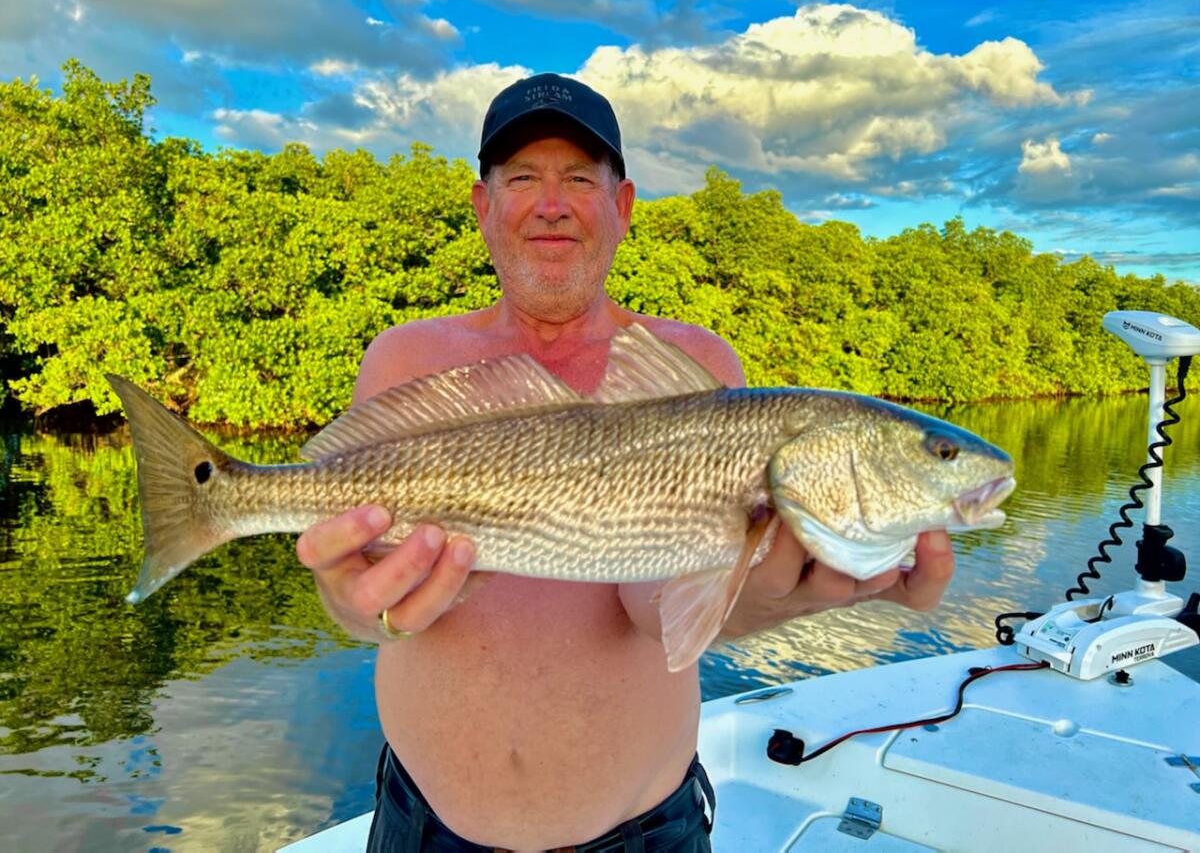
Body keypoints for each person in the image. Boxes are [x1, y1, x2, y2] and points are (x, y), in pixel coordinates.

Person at [295, 74, 955, 852]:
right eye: (522, 179)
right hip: (419, 826)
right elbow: (359, 577)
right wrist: (350, 603)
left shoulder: (696, 365)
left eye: (579, 178)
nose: (552, 202)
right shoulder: (406, 357)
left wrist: (774, 598)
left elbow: (657, 606)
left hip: (647, 834)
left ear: (623, 207)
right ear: (483, 207)